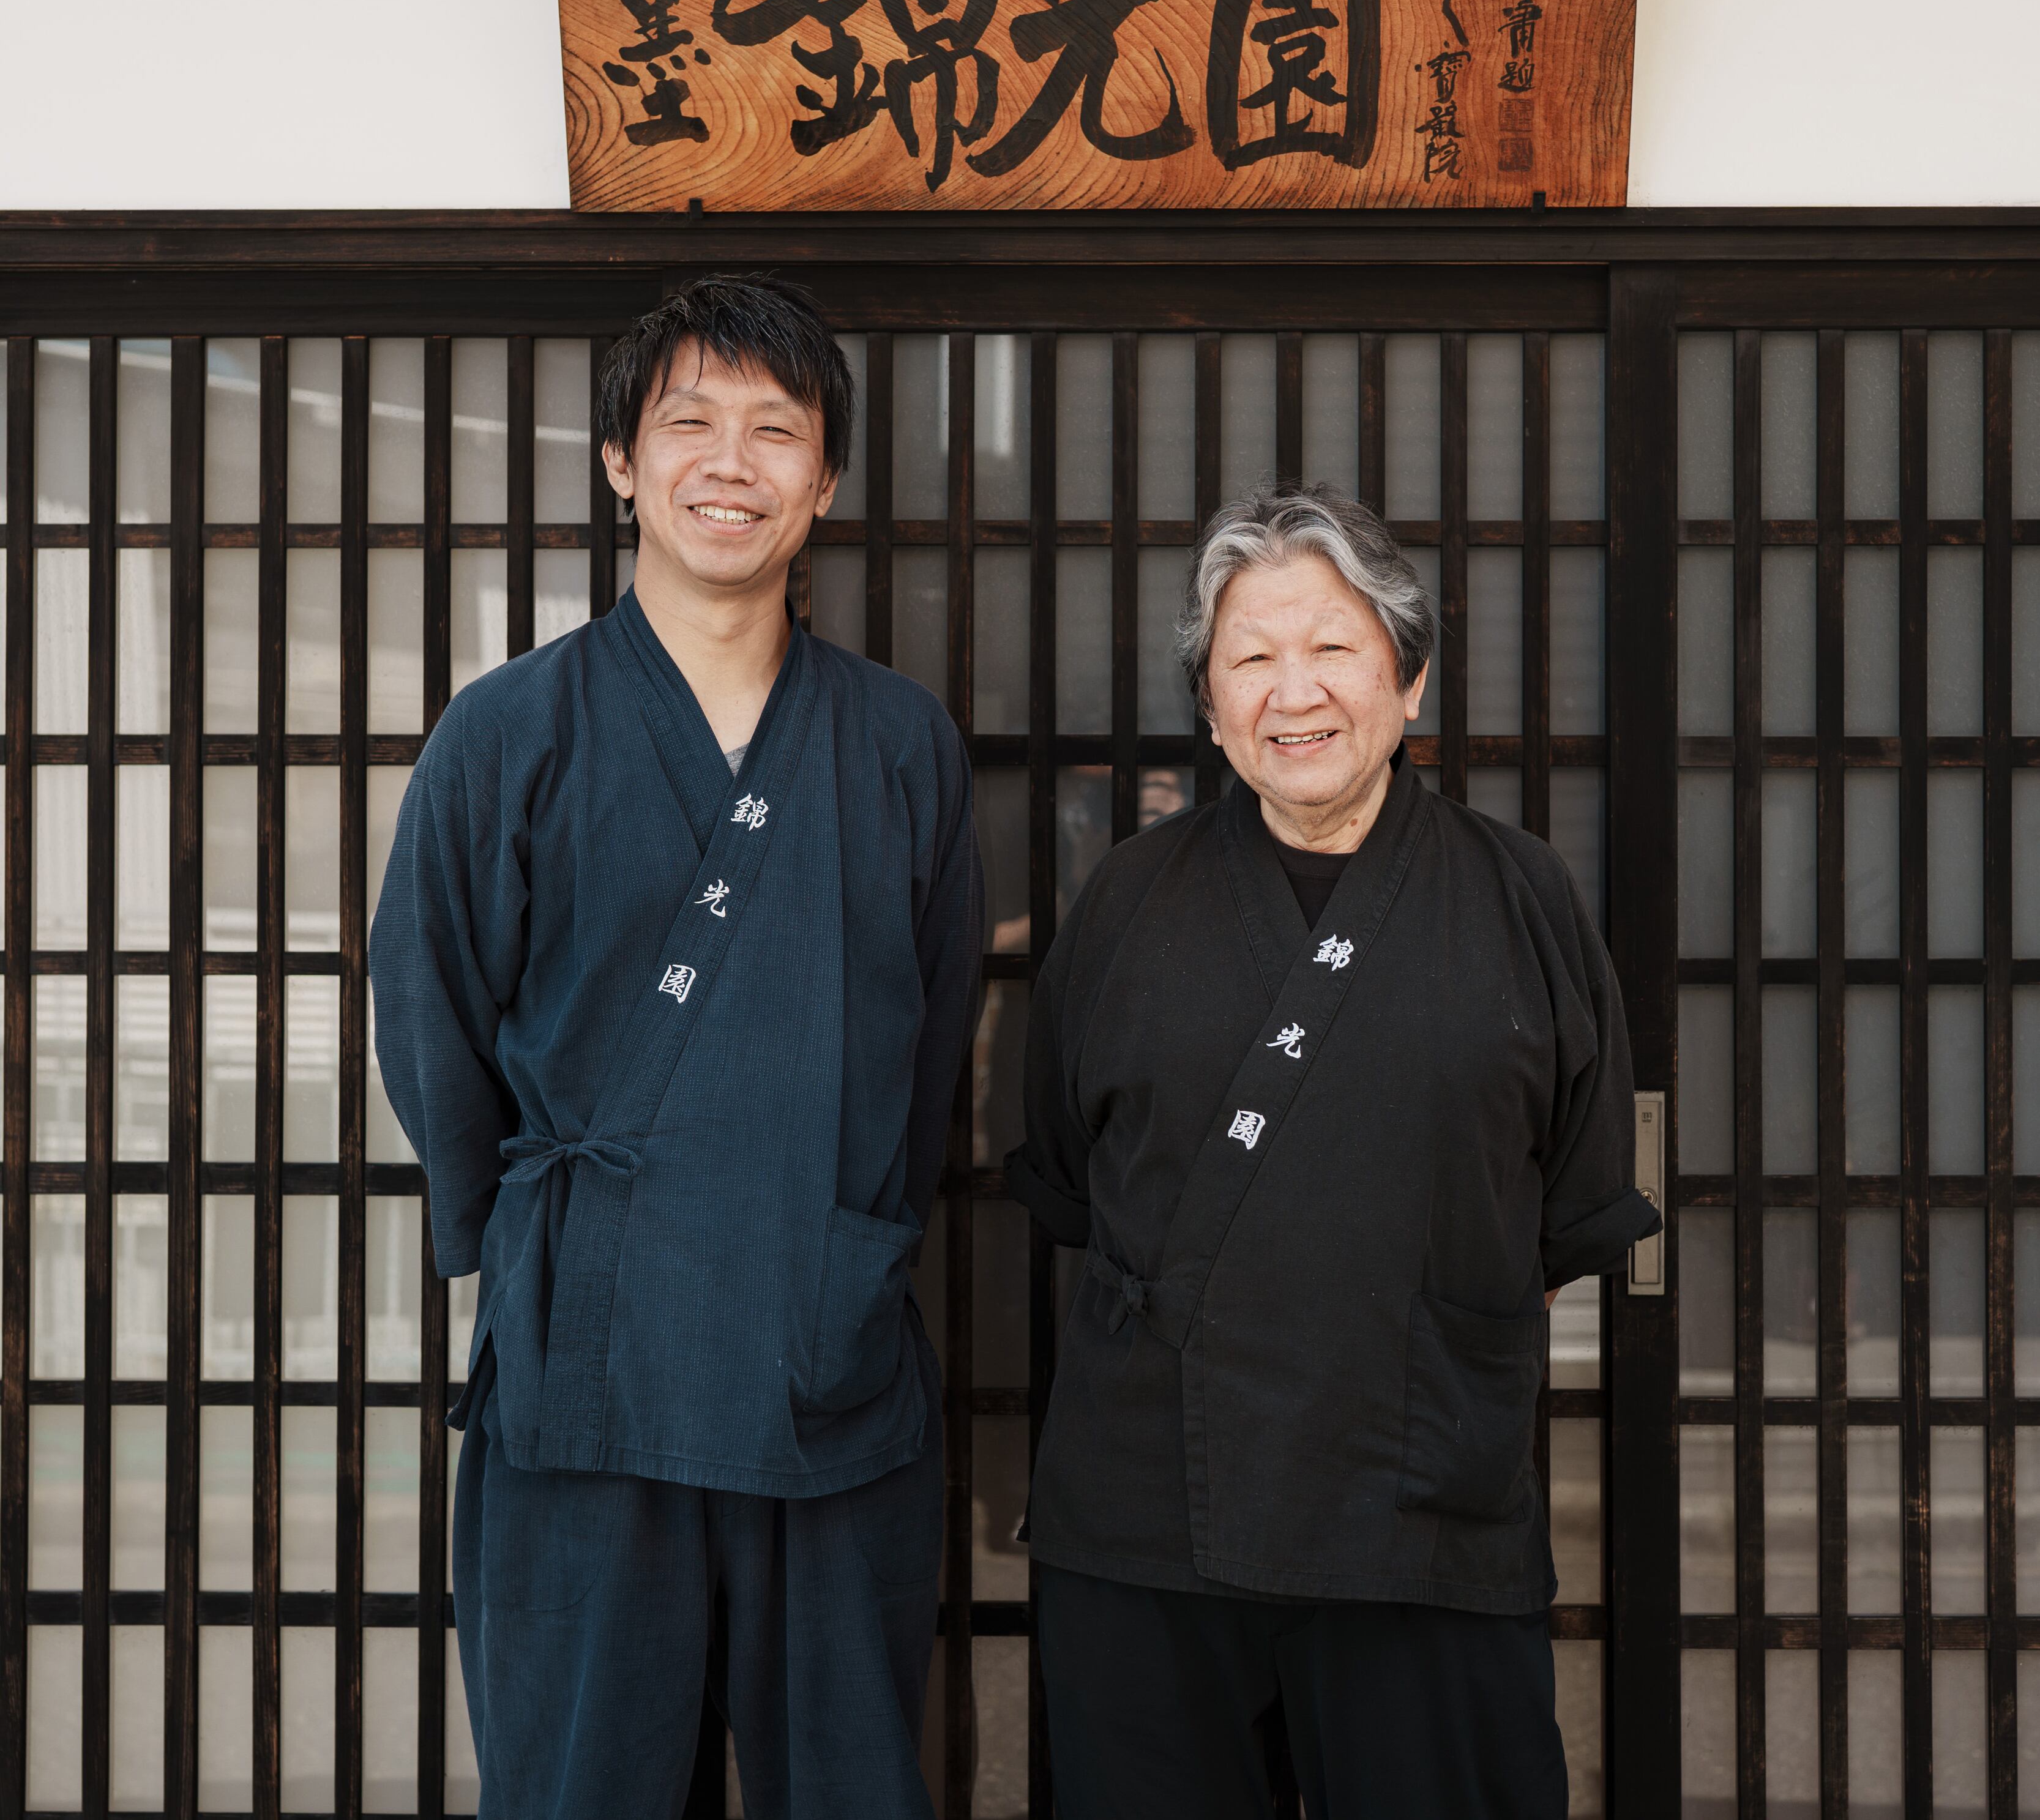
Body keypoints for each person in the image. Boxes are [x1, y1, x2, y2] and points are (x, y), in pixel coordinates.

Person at [371, 277, 981, 1820]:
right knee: (585, 1782)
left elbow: (928, 1048)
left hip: (820, 1347)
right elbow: (427, 1000)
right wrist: (519, 1239)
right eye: (688, 422)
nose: (732, 459)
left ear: (824, 480)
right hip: (593, 1353)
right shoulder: (507, 731)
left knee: (846, 1781)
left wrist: (846, 1229)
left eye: (775, 428)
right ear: (621, 463)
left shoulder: (899, 741)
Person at [1006, 483, 1659, 1820]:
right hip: (1149, 1520)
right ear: (1207, 702)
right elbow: (1070, 1174)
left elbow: (1568, 1193)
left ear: (1406, 678)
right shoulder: (1128, 899)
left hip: (1421, 1507)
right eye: (1248, 656)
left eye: (1332, 647)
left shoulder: (1520, 893)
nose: (1289, 692)